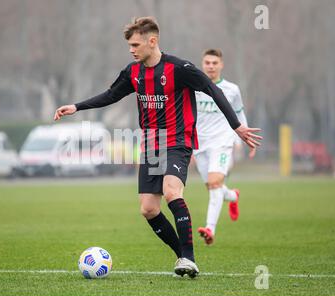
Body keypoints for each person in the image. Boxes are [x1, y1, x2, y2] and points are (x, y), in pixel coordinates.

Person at [53, 17, 261, 278]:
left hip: (178, 140)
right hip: (151, 144)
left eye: (136, 44)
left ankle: (189, 257)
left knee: (172, 191)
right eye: (129, 45)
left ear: (152, 41)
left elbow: (212, 89)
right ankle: (181, 257)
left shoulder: (180, 68)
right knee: (148, 209)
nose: (131, 49)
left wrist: (236, 125)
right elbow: (110, 95)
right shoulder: (133, 72)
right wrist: (77, 106)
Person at [194, 49, 256, 245]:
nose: (211, 66)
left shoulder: (232, 89)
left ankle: (210, 229)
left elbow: (239, 115)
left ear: (221, 65)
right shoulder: (194, 87)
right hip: (199, 144)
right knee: (213, 186)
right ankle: (232, 196)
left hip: (222, 142)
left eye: (214, 62)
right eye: (207, 62)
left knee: (214, 183)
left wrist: (245, 140)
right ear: (202, 64)